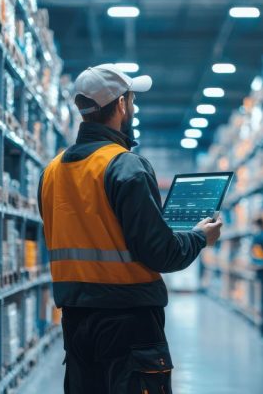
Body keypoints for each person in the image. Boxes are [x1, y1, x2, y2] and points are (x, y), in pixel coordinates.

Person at [38, 64, 223, 394]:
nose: (132, 106)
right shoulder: (125, 165)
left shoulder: (52, 170)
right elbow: (160, 253)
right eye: (131, 99)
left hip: (76, 323)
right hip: (130, 324)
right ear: (122, 105)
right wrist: (199, 237)